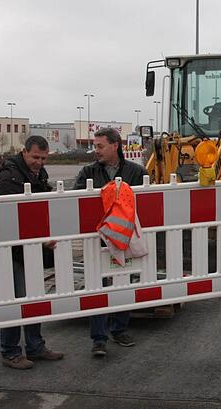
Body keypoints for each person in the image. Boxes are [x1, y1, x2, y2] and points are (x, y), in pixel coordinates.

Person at [74, 127, 148, 357]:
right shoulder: (87, 172)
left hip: (124, 239)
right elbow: (77, 201)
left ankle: (120, 329)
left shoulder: (137, 172)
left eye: (100, 146)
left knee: (124, 282)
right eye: (95, 146)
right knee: (97, 286)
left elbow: (147, 202)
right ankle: (98, 338)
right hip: (98, 240)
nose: (96, 151)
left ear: (115, 146)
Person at [0, 136, 64, 369]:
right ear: (24, 152)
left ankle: (35, 346)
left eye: (43, 159)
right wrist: (40, 238)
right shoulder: (8, 178)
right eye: (35, 157)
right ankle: (10, 351)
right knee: (15, 298)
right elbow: (11, 218)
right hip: (12, 250)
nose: (39, 162)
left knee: (34, 297)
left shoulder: (38, 174)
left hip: (32, 247)